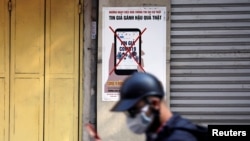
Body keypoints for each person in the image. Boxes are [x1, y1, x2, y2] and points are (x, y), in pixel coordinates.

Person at [110, 72, 208, 141]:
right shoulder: (156, 132)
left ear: (155, 104)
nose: (130, 118)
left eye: (133, 110)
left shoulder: (179, 137)